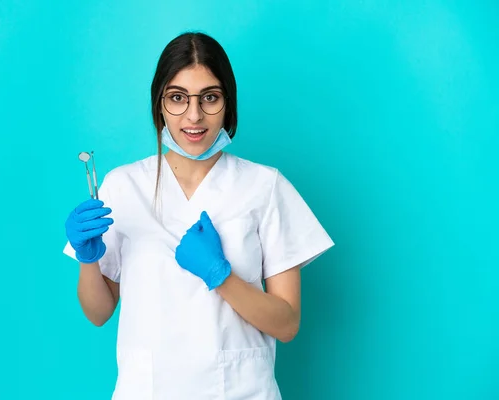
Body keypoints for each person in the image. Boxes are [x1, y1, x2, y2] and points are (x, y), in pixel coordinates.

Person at [63, 31, 334, 400]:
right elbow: (98, 313)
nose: (194, 115)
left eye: (210, 97)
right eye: (177, 98)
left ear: (228, 104)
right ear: (159, 104)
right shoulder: (123, 186)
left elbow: (287, 324)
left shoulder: (265, 187)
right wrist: (88, 259)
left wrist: (219, 275)